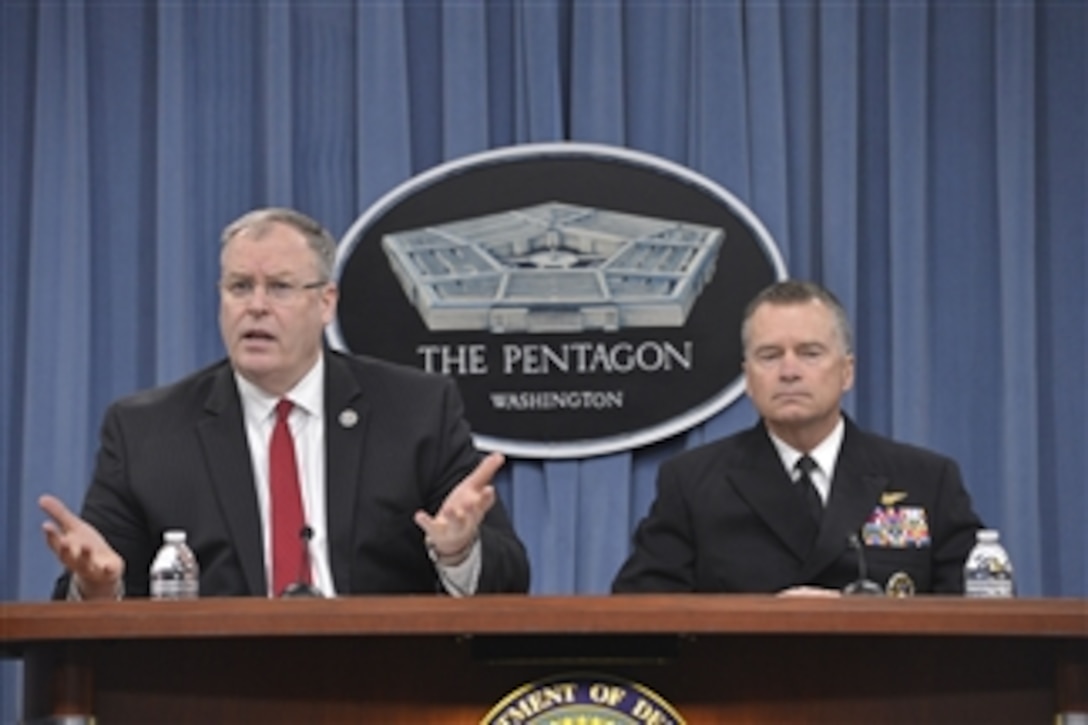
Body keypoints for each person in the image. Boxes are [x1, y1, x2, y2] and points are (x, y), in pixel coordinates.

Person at [40, 207, 530, 599]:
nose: (256, 305)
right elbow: (94, 582)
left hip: (383, 685)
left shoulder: (416, 410)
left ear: (325, 303)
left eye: (279, 287)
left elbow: (509, 577)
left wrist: (459, 552)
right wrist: (98, 586)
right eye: (239, 287)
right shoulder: (146, 431)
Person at [613, 280, 982, 595]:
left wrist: (853, 615)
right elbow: (641, 611)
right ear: (748, 378)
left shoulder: (925, 479)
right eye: (770, 355)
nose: (789, 371)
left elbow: (979, 610)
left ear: (846, 372)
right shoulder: (693, 483)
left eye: (810, 353)